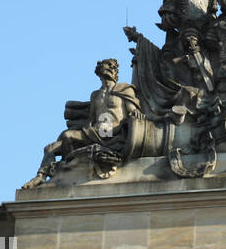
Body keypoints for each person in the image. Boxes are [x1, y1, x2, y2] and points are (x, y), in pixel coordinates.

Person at [22, 59, 142, 188]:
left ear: (115, 72)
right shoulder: (95, 95)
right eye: (105, 68)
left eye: (111, 68)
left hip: (112, 133)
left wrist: (136, 114)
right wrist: (79, 129)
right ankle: (41, 176)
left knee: (67, 136)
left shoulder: (124, 90)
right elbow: (91, 119)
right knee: (50, 148)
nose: (108, 71)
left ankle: (69, 167)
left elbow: (132, 110)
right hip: (95, 132)